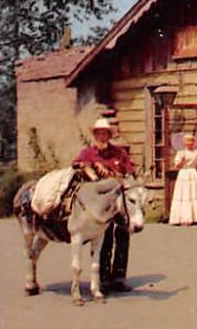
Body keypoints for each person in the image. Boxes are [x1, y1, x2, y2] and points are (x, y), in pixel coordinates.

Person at [71, 118, 135, 294]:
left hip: (118, 199)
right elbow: (75, 164)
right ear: (95, 135)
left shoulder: (119, 153)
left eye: (105, 133)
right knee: (104, 237)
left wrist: (116, 173)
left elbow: (130, 171)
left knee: (123, 234)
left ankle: (119, 277)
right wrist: (90, 165)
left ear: (109, 135)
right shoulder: (88, 152)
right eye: (99, 133)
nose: (102, 136)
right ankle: (103, 278)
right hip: (99, 203)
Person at [168, 134, 197, 226]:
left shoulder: (196, 152)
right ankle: (182, 218)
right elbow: (177, 165)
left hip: (192, 173)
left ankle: (194, 217)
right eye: (187, 141)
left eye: (190, 141)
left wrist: (195, 164)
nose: (189, 143)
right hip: (184, 173)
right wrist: (182, 161)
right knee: (183, 194)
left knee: (192, 194)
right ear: (184, 142)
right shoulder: (181, 153)